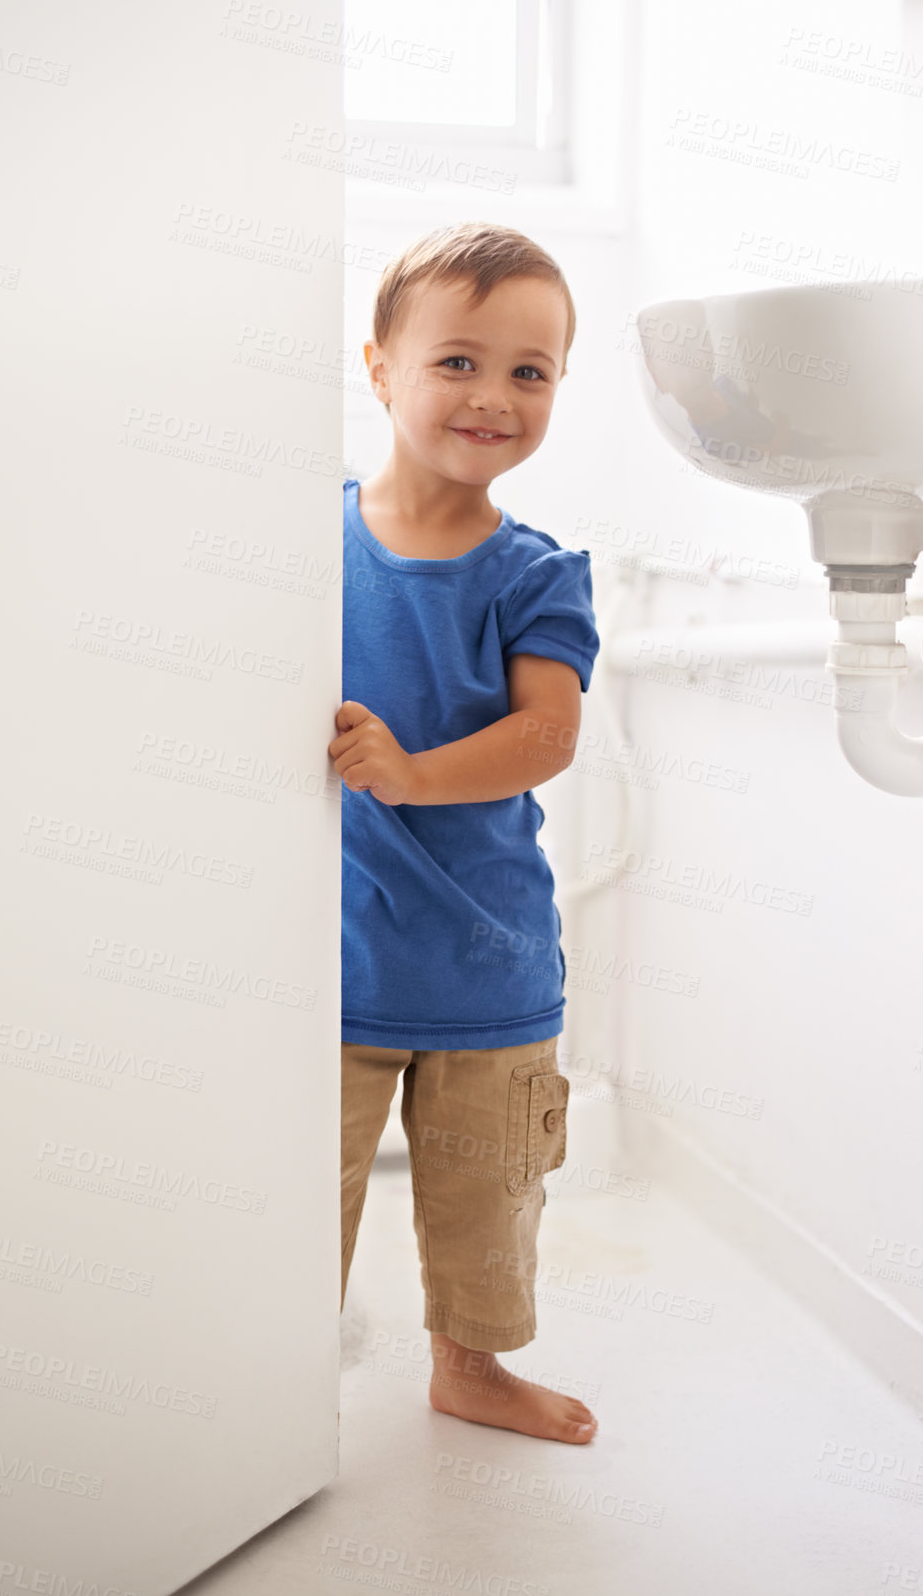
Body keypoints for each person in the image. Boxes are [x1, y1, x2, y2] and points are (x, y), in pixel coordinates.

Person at [329, 221, 601, 1445]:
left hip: (488, 966)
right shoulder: (304, 546)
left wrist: (405, 771)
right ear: (380, 367)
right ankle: (268, 1372)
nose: (493, 395)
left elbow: (547, 735)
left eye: (528, 372)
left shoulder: (535, 574)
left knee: (488, 1196)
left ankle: (470, 1368)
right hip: (326, 967)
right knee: (294, 1199)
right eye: (456, 362)